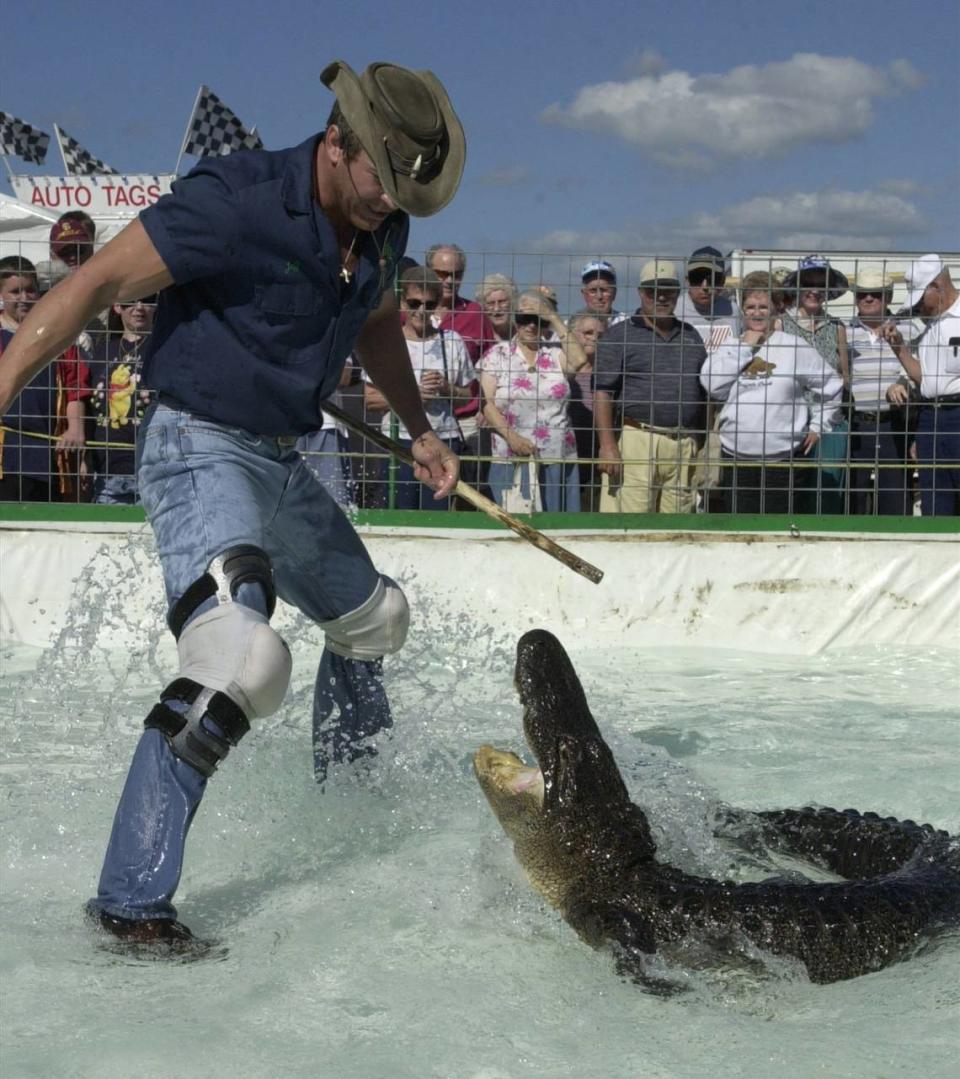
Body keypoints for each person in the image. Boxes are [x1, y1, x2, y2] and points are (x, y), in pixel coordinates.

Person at [0, 59, 466, 948]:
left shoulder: (383, 227)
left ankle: (353, 801)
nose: (392, 202)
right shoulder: (237, 198)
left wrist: (419, 428)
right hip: (197, 442)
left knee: (378, 622)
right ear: (338, 141)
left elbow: (369, 320)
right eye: (384, 178)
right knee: (241, 659)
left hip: (284, 458)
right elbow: (92, 284)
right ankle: (129, 907)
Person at [700, 273, 843, 514]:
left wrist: (819, 425)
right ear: (742, 310)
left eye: (763, 307)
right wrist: (745, 347)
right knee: (741, 531)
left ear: (776, 308)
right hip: (737, 460)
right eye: (750, 307)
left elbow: (833, 386)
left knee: (780, 532)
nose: (757, 313)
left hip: (783, 462)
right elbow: (712, 385)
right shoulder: (731, 346)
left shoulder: (793, 346)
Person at [594, 260, 708, 513]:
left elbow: (704, 393)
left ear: (678, 294)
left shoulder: (691, 335)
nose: (662, 297)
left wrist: (703, 444)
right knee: (631, 526)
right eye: (653, 291)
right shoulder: (619, 335)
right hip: (638, 440)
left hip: (683, 441)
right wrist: (607, 445)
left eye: (668, 290)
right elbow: (602, 391)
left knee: (676, 528)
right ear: (641, 293)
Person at [363, 266, 474, 509]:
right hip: (398, 439)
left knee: (438, 513)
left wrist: (446, 389)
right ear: (402, 302)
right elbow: (369, 400)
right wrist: (410, 397)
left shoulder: (452, 341)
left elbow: (468, 398)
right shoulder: (387, 343)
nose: (421, 311)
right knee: (398, 511)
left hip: (444, 437)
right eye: (414, 303)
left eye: (429, 304)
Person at [479, 290, 586, 511]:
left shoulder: (555, 354)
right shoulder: (497, 355)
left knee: (559, 525)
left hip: (557, 456)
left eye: (538, 320)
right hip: (511, 456)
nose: (530, 326)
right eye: (524, 319)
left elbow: (580, 360)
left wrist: (553, 318)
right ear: (515, 320)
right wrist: (512, 437)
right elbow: (485, 402)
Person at [881, 254, 960, 516]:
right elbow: (924, 379)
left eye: (920, 298)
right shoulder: (929, 326)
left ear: (937, 287)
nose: (919, 307)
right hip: (930, 415)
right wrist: (899, 348)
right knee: (934, 498)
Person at [781, 255, 851, 513]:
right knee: (792, 496)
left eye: (820, 284)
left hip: (830, 423)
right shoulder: (781, 325)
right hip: (791, 423)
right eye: (807, 283)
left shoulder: (837, 326)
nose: (813, 290)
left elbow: (844, 375)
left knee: (828, 499)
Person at [845, 268, 913, 515]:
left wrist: (903, 383)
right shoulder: (843, 332)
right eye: (862, 294)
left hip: (894, 424)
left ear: (889, 297)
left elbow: (919, 371)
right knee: (852, 498)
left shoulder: (909, 330)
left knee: (895, 499)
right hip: (856, 425)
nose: (868, 299)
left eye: (876, 294)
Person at [86, 296, 156, 504]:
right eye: (130, 302)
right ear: (117, 307)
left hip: (152, 467)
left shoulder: (164, 347)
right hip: (108, 470)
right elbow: (89, 408)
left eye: (148, 301)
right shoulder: (102, 351)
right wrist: (85, 460)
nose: (139, 308)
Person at [426, 243, 495, 363]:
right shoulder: (412, 312)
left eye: (456, 275)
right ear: (428, 272)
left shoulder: (474, 313)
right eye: (442, 274)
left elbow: (491, 362)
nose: (449, 281)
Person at [566, 312, 604, 510]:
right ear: (572, 335)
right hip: (569, 450)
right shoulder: (560, 369)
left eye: (600, 334)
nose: (594, 338)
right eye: (587, 332)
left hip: (599, 450)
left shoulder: (610, 372)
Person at [674, 246, 739, 351]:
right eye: (697, 278)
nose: (705, 286)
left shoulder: (733, 310)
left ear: (722, 282)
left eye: (712, 279)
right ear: (687, 280)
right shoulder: (674, 311)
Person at [579, 259, 626, 327]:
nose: (599, 296)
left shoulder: (626, 324)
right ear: (584, 294)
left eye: (604, 290)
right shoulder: (569, 327)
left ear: (614, 293)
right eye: (593, 290)